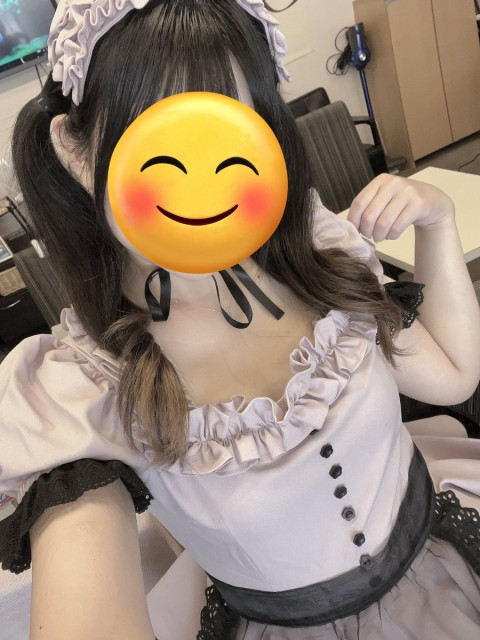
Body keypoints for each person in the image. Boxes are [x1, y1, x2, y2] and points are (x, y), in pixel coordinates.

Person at [1, 1, 479, 639]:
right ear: (76, 150)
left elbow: (453, 376)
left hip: (444, 566)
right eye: (164, 137)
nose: (206, 175)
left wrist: (438, 219)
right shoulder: (79, 389)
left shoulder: (316, 254)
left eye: (232, 126)